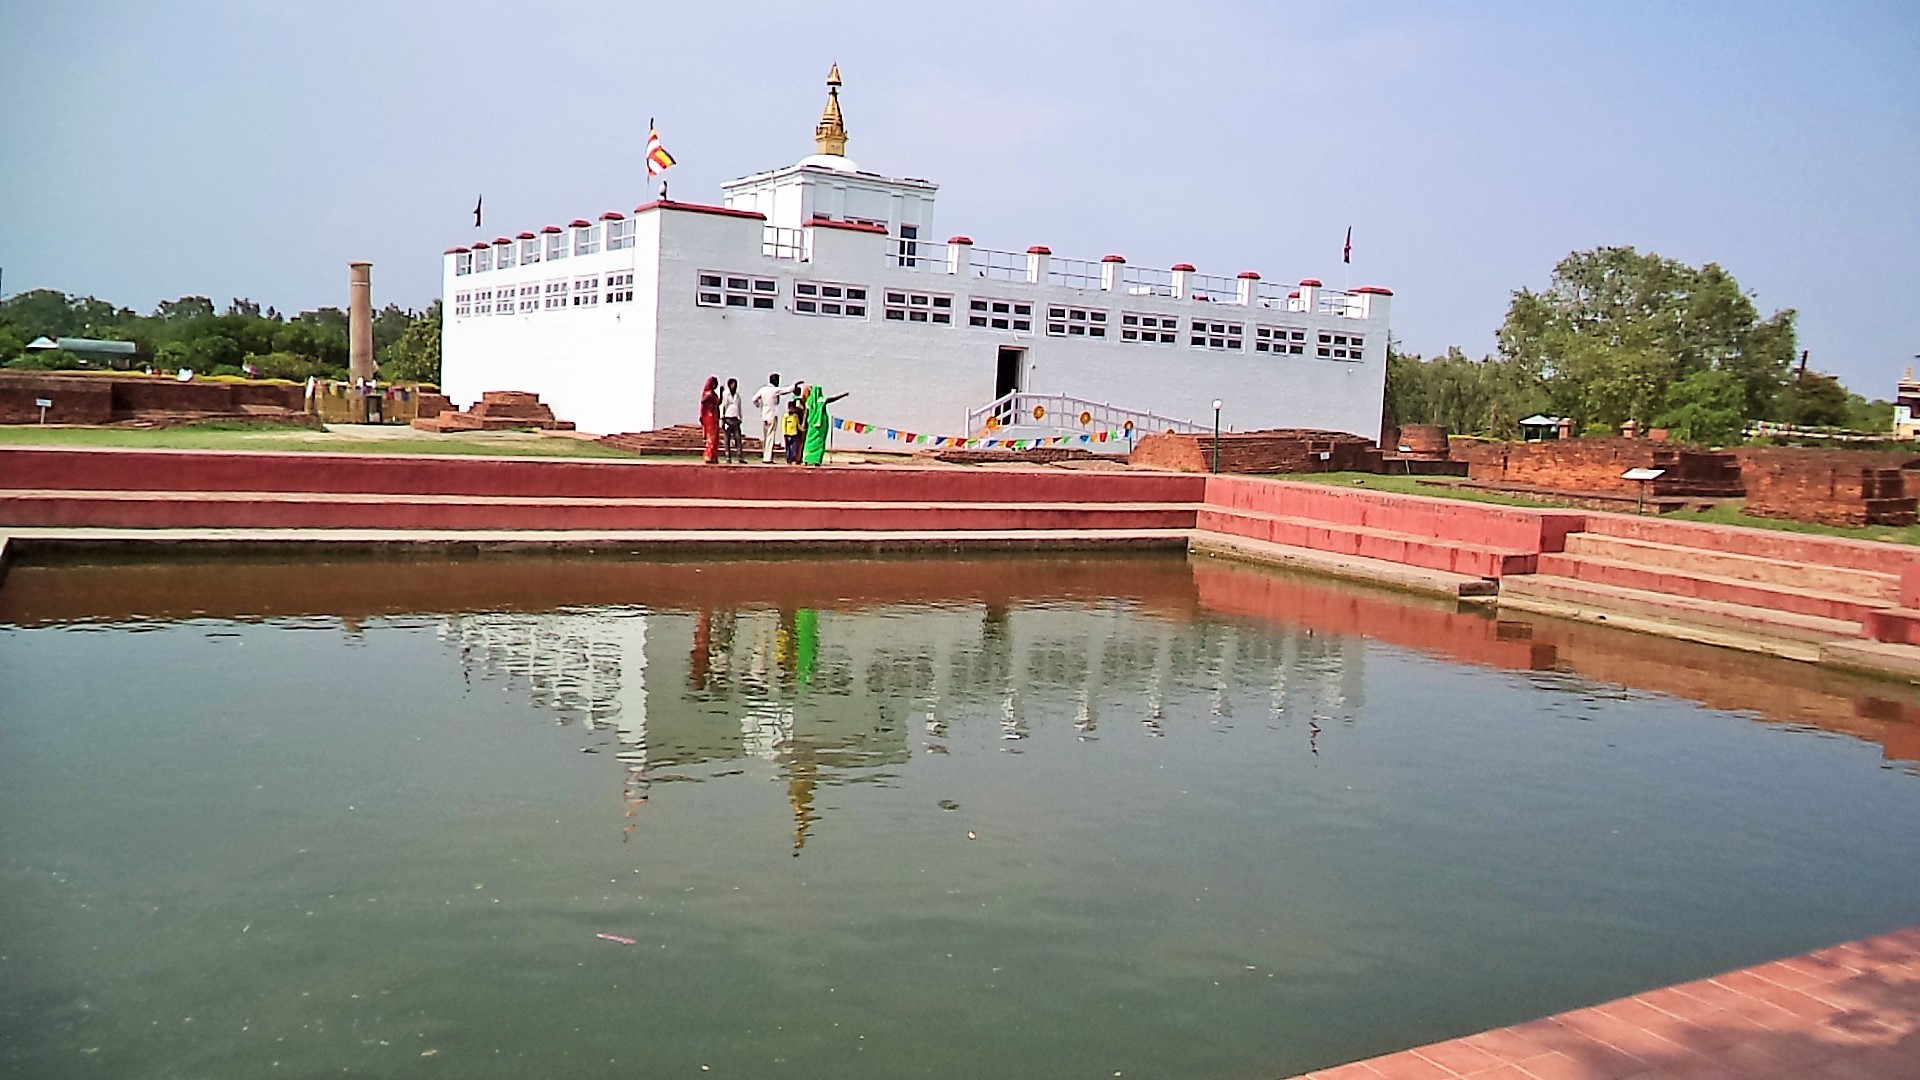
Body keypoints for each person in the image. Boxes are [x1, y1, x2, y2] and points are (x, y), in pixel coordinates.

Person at [801, 385, 849, 466]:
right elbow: (832, 399)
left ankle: (806, 460)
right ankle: (816, 460)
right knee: (820, 442)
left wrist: (803, 423)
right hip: (821, 424)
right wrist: (843, 395)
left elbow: (806, 413)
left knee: (809, 442)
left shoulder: (809, 402)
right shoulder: (821, 400)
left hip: (812, 424)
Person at [751, 374, 790, 464]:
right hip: (772, 414)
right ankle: (768, 458)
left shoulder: (763, 389)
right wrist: (794, 386)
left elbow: (754, 399)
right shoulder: (774, 390)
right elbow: (785, 390)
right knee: (770, 436)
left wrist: (759, 406)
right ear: (775, 381)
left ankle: (765, 455)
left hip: (764, 414)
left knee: (766, 436)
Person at [720, 378, 744, 463]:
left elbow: (739, 407)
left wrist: (740, 418)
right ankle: (728, 457)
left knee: (738, 438)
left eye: (736, 384)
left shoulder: (737, 395)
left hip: (736, 419)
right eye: (733, 384)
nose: (734, 386)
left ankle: (740, 456)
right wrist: (722, 419)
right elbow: (723, 406)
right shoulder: (726, 394)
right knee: (727, 439)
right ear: (729, 385)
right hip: (727, 419)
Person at [698, 376, 721, 464]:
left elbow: (718, 402)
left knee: (715, 437)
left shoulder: (713, 394)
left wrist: (721, 393)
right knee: (711, 436)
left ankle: (713, 455)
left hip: (714, 415)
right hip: (709, 416)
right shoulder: (708, 393)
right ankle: (709, 455)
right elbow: (703, 401)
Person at [783, 397, 805, 464]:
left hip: (794, 433)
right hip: (787, 434)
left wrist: (801, 429)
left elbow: (798, 424)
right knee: (788, 448)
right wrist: (785, 433)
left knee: (794, 448)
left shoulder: (795, 416)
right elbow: (783, 425)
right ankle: (788, 459)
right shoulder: (786, 416)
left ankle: (793, 459)